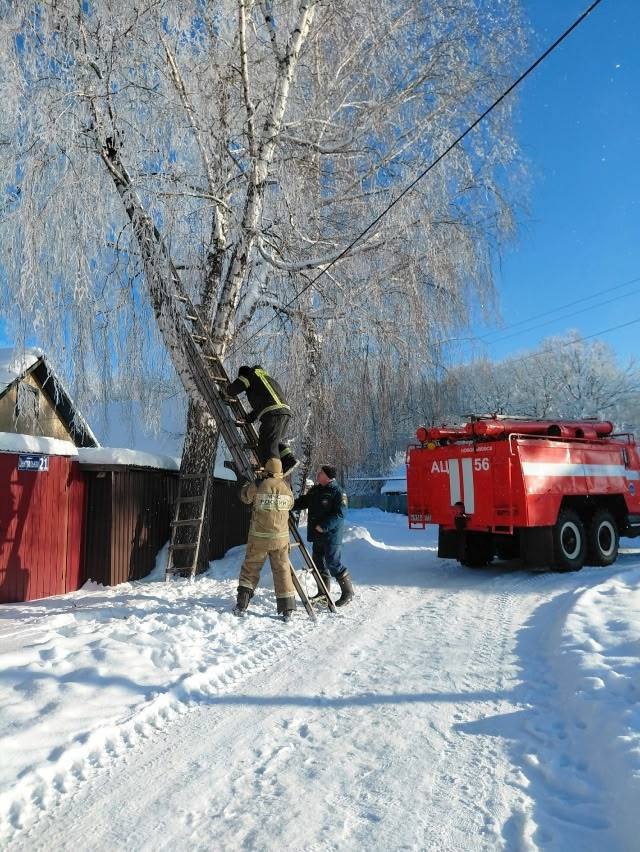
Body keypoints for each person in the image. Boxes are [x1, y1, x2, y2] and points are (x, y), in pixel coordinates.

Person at [233, 457, 297, 621]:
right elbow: (290, 505)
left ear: (267, 470)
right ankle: (287, 609)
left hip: (259, 538)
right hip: (281, 539)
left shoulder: (259, 484)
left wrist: (251, 482)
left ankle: (242, 605)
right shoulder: (286, 487)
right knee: (282, 571)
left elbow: (245, 497)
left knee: (250, 569)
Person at [293, 464, 354, 607]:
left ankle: (348, 592)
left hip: (331, 536)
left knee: (333, 563)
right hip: (317, 536)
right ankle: (323, 593)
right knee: (318, 563)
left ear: (327, 476)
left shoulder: (338, 492)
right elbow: (303, 502)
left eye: (320, 473)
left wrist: (324, 526)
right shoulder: (315, 490)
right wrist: (289, 504)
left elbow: (340, 514)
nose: (317, 474)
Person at [226, 365, 299, 475]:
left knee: (266, 445)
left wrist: (227, 390)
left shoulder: (249, 374)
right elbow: (263, 403)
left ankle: (272, 473)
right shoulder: (266, 379)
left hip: (273, 414)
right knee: (272, 440)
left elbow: (234, 389)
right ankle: (288, 459)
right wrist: (248, 418)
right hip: (284, 413)